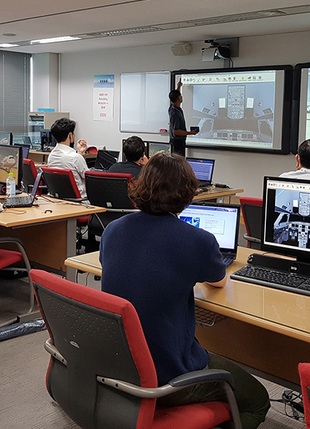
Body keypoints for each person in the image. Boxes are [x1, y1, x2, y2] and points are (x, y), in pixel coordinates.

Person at [99, 152, 270, 429]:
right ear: (188, 193)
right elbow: (218, 281)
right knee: (258, 400)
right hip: (168, 374)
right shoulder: (198, 240)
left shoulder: (113, 230)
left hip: (120, 364)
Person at [46, 118, 90, 201]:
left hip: (60, 201)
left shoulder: (51, 156)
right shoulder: (75, 158)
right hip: (80, 202)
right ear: (70, 135)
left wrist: (80, 153)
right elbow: (89, 179)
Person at [168, 81, 197, 157]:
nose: (182, 97)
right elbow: (175, 131)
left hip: (178, 142)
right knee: (178, 163)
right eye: (180, 96)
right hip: (177, 143)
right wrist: (190, 133)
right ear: (178, 99)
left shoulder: (172, 107)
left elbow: (175, 96)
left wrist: (178, 86)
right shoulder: (175, 113)